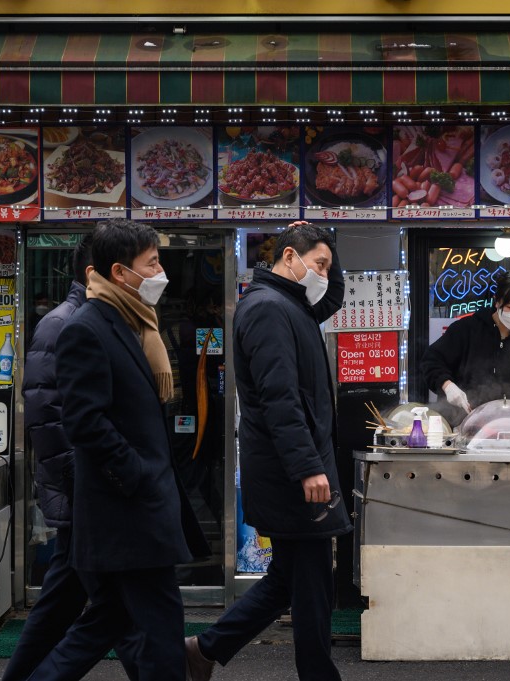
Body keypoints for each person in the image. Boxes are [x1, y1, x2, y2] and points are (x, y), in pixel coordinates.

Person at [28, 218, 208, 680]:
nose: (160, 272)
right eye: (152, 263)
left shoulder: (130, 321)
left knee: (103, 624)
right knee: (162, 628)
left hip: (135, 511)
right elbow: (84, 421)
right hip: (127, 512)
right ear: (119, 272)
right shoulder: (86, 328)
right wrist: (137, 475)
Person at [184, 222, 349, 681]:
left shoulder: (292, 303)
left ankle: (203, 650)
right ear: (289, 257)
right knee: (312, 585)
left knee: (289, 580)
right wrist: (308, 468)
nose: (324, 275)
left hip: (294, 468)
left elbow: (334, 296)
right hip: (292, 474)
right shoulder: (269, 309)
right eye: (318, 264)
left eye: (327, 267)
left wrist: (327, 243)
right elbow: (280, 399)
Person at [1, 236, 141, 681]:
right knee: (118, 605)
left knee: (72, 602)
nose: (150, 276)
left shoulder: (101, 319)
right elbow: (46, 415)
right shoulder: (65, 324)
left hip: (87, 490)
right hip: (84, 492)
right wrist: (81, 482)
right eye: (142, 265)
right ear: (101, 271)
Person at [420, 269, 510, 423]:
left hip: (509, 426)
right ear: (497, 301)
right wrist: (447, 386)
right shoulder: (466, 329)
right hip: (463, 423)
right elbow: (432, 360)